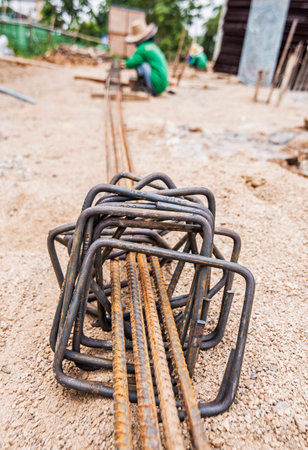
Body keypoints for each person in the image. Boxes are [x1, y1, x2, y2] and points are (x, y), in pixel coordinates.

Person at [124, 19, 168, 96]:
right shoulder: (153, 47)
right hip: (163, 85)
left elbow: (130, 63)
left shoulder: (142, 48)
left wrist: (125, 62)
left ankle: (146, 87)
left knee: (141, 64)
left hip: (156, 85)